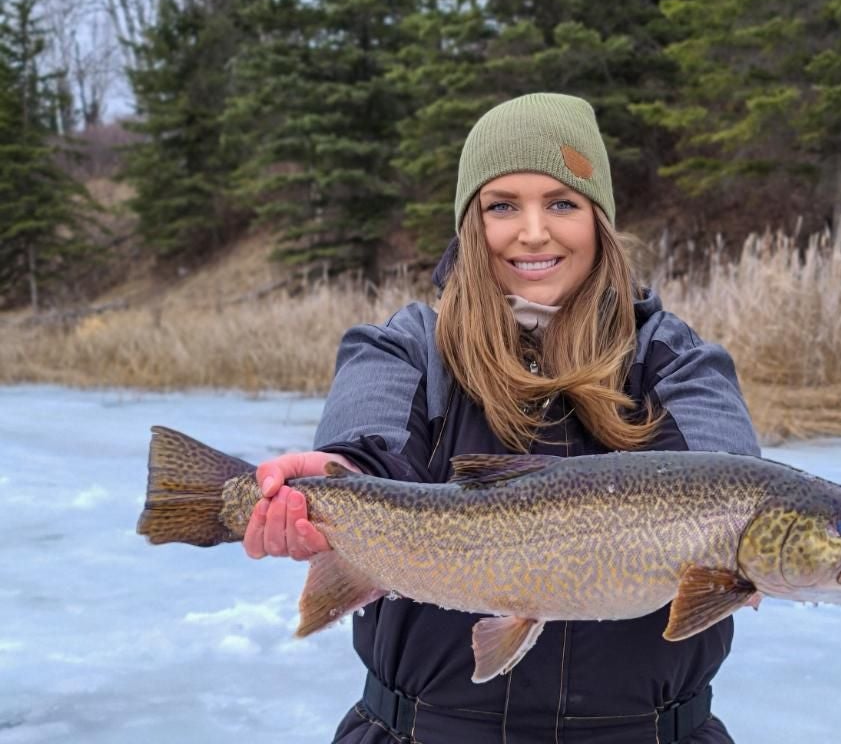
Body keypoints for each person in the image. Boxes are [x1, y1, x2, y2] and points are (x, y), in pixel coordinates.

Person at [243, 93, 760, 744]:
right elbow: (368, 452)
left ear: (599, 221)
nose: (534, 231)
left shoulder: (675, 360)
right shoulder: (405, 349)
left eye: (563, 203)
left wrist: (744, 545)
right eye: (503, 205)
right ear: (470, 223)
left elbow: (730, 475)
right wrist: (334, 479)